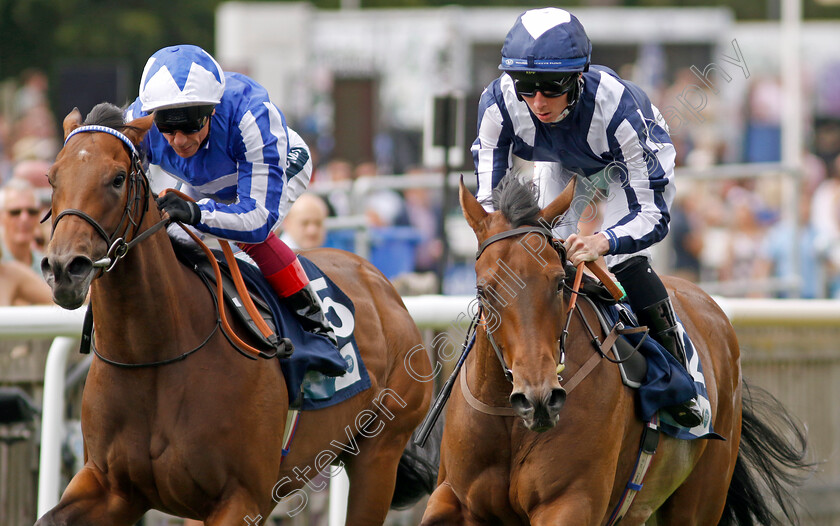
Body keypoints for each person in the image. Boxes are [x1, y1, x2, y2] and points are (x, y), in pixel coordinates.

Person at [472, 8, 702, 427]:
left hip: (622, 166)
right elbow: (489, 205)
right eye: (526, 86)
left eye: (551, 87)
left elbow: (652, 214)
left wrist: (603, 241)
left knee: (620, 263)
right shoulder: (498, 102)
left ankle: (680, 381)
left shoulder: (618, 109)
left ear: (579, 78)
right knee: (531, 260)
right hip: (557, 163)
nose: (538, 101)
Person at [124, 45, 336, 348]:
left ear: (212, 110)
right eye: (167, 127)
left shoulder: (252, 114)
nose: (179, 140)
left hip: (276, 165)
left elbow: (257, 219)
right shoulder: (138, 120)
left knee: (246, 237)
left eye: (189, 125)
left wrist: (197, 213)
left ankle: (317, 329)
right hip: (209, 178)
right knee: (176, 236)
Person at [0, 177, 44, 274]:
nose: (24, 218)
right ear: (1, 217)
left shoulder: (47, 269)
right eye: (15, 212)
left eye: (32, 212)